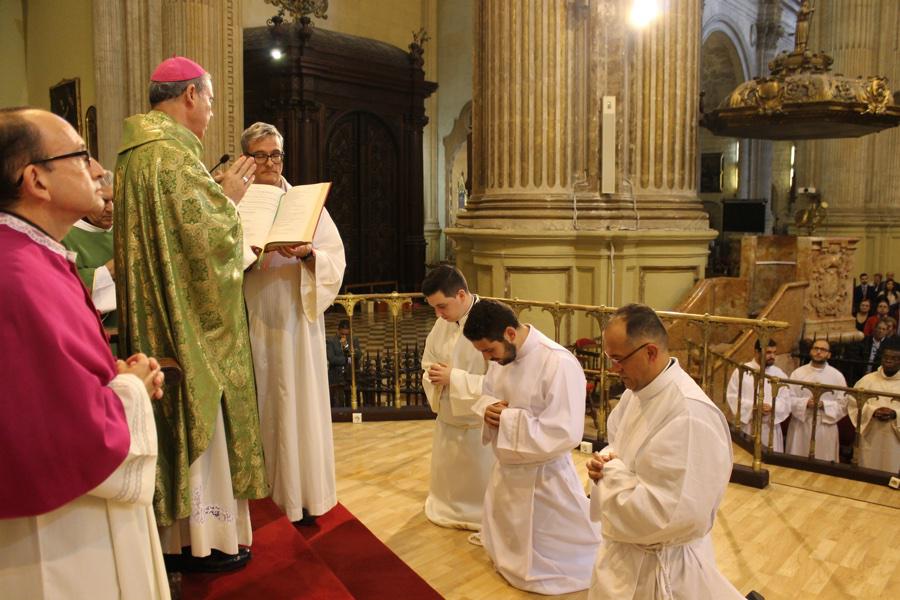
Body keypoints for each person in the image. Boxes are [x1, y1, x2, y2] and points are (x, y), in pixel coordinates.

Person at [0, 107, 169, 598]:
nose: (99, 170)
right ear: (36, 180)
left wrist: (113, 373)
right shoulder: (18, 276)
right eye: (81, 154)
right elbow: (61, 430)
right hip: (58, 536)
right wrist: (130, 390)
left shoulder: (31, 253)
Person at [115, 56, 267, 571]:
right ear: (189, 97)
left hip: (155, 311)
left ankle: (179, 535)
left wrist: (216, 190)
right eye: (208, 99)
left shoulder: (136, 154)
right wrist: (230, 199)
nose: (208, 111)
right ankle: (204, 538)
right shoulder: (173, 157)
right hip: (189, 326)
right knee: (201, 412)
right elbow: (208, 245)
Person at [587, 303, 742, 599]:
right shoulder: (639, 393)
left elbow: (668, 515)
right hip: (624, 555)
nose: (613, 369)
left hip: (662, 569)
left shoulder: (689, 414)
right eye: (609, 358)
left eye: (618, 359)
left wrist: (609, 473)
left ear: (650, 352)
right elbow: (620, 447)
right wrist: (603, 462)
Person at [241, 121, 347, 526]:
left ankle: (302, 494)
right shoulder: (236, 203)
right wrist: (249, 254)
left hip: (297, 317)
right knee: (265, 399)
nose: (270, 162)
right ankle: (262, 494)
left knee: (297, 399)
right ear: (247, 159)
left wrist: (307, 254)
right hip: (255, 312)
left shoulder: (306, 203)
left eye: (276, 154)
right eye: (261, 155)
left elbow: (334, 258)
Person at [463, 299, 600, 594]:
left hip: (544, 477)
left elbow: (566, 431)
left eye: (490, 350)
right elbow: (488, 394)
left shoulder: (558, 363)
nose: (488, 359)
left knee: (557, 551)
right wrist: (487, 409)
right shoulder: (502, 359)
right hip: (508, 470)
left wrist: (509, 419)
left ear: (510, 334)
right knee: (509, 539)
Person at [420, 265, 494, 531]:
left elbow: (502, 383)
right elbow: (427, 362)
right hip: (449, 417)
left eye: (442, 306)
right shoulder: (443, 324)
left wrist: (455, 378)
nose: (439, 314)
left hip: (478, 426)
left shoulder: (490, 322)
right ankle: (445, 504)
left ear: (461, 295)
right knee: (449, 482)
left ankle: (480, 511)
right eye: (435, 308)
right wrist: (434, 375)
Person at [61, 169, 116, 329]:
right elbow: (63, 287)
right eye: (104, 201)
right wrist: (108, 272)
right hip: (91, 330)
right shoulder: (64, 235)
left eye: (115, 200)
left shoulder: (127, 231)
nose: (111, 209)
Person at [785, 339, 847, 461]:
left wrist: (824, 404)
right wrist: (805, 403)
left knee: (823, 460)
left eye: (823, 350)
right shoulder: (798, 373)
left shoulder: (837, 376)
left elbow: (844, 404)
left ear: (829, 354)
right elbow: (788, 398)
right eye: (815, 348)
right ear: (811, 351)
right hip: (801, 423)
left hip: (825, 425)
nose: (818, 352)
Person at [726, 339, 792, 451]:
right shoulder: (742, 371)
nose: (772, 356)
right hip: (748, 425)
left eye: (774, 352)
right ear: (756, 352)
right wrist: (754, 406)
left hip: (770, 426)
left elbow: (786, 400)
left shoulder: (779, 374)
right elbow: (732, 396)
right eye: (768, 352)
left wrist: (771, 407)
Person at [850, 337, 900, 472]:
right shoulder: (867, 380)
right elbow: (853, 404)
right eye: (886, 357)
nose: (889, 360)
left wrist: (895, 414)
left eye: (894, 358)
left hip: (895, 440)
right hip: (870, 435)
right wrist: (872, 411)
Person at [326, 319, 362, 388]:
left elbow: (359, 355)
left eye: (347, 334)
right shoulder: (331, 341)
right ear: (338, 331)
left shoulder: (353, 339)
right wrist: (347, 360)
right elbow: (332, 359)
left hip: (350, 373)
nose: (344, 336)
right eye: (342, 334)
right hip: (336, 373)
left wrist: (348, 348)